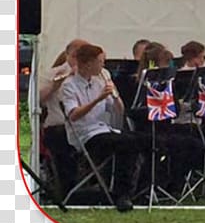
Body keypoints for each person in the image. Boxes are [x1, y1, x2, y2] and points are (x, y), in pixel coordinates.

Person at [61, 44, 150, 212]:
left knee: (139, 140)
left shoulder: (98, 82)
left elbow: (118, 110)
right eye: (100, 61)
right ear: (88, 64)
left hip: (103, 129)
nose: (103, 65)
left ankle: (135, 188)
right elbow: (73, 115)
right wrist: (98, 99)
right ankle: (121, 192)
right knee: (126, 144)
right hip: (85, 135)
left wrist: (115, 96)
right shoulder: (69, 85)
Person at [39, 38, 89, 198]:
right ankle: (67, 192)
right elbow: (38, 99)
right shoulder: (53, 73)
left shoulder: (94, 75)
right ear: (69, 55)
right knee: (61, 142)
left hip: (87, 127)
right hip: (59, 126)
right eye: (76, 55)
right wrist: (56, 85)